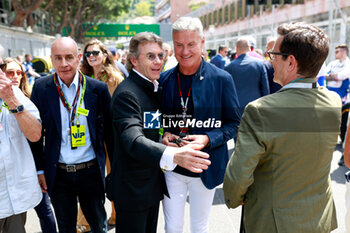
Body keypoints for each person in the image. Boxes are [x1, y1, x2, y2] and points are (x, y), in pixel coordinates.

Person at [223, 22, 340, 233]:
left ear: (291, 62)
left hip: (272, 222)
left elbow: (238, 175)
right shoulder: (333, 102)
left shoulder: (260, 110)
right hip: (319, 218)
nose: (271, 60)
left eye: (274, 55)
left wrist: (234, 196)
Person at [108, 32, 211, 233]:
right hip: (132, 193)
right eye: (150, 56)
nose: (158, 62)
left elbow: (149, 129)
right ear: (134, 60)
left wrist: (163, 137)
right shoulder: (128, 94)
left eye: (160, 56)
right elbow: (133, 139)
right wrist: (175, 155)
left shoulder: (152, 87)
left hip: (150, 189)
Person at [159, 17, 241, 233]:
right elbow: (155, 120)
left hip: (205, 166)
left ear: (202, 42)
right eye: (179, 45)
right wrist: (162, 133)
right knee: (172, 227)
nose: (185, 51)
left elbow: (234, 123)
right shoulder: (165, 79)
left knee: (199, 227)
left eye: (191, 44)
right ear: (173, 45)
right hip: (172, 167)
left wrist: (207, 138)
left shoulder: (222, 79)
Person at [30, 37, 112, 233]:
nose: (64, 64)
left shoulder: (97, 89)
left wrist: (114, 170)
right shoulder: (41, 88)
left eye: (69, 57)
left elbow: (110, 133)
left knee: (98, 226)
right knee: (66, 227)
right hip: (58, 174)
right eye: (58, 58)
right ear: (51, 59)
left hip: (91, 171)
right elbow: (35, 133)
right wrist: (39, 170)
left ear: (79, 57)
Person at [1, 57, 57, 233]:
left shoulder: (15, 93)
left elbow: (35, 135)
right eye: (10, 71)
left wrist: (11, 101)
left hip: (14, 200)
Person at [77, 38, 124, 231]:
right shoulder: (80, 76)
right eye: (88, 54)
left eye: (95, 53)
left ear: (105, 55)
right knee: (88, 178)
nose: (91, 57)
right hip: (87, 134)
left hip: (111, 134)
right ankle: (85, 220)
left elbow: (121, 108)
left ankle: (116, 215)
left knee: (113, 176)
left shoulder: (114, 77)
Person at [225, 37, 269, 114]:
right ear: (249, 48)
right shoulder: (260, 64)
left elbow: (226, 91)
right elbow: (265, 88)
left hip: (236, 108)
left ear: (236, 49)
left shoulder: (229, 67)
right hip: (256, 106)